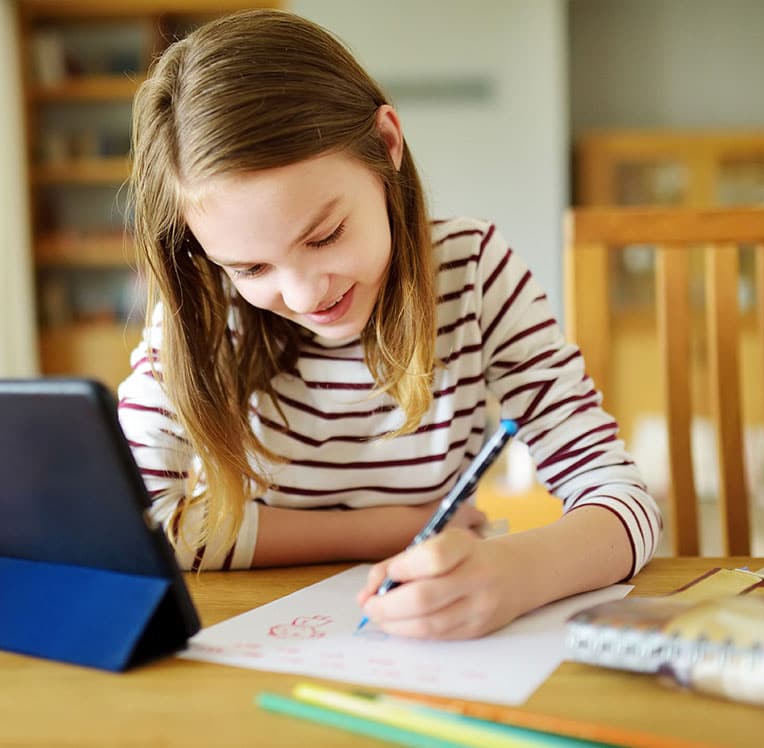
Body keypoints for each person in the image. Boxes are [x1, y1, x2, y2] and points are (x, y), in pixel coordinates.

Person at [117, 8, 661, 640]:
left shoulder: (475, 272)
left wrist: (516, 573)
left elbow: (624, 501)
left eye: (325, 236)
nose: (301, 294)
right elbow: (140, 527)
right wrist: (400, 525)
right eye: (251, 266)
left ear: (387, 144)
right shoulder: (202, 307)